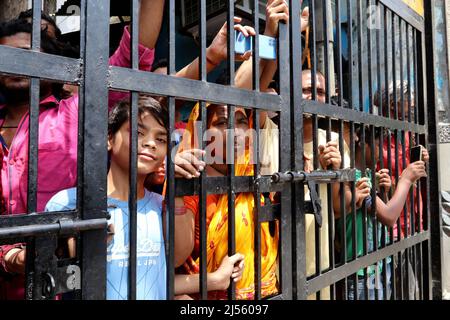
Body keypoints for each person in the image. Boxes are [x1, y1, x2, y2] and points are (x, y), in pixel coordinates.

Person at [0, 0, 166, 299]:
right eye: (9, 54)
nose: (18, 62)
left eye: (28, 53)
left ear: (53, 65)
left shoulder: (77, 112)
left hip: (70, 282)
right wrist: (11, 258)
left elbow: (133, 57)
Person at [45, 96, 245, 299]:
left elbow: (175, 262)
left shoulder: (161, 206)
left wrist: (176, 186)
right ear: (109, 138)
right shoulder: (67, 203)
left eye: (161, 139)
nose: (150, 143)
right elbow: (46, 277)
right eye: (138, 132)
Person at [337, 126, 428, 300]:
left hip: (378, 264)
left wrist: (385, 192)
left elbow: (376, 218)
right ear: (363, 145)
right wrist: (406, 180)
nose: (381, 152)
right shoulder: (355, 178)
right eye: (379, 145)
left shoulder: (370, 175)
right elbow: (388, 217)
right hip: (361, 271)